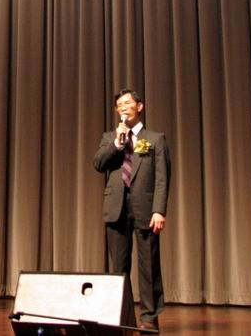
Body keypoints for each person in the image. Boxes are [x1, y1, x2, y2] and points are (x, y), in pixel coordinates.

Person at [93, 89, 171, 332]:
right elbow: (98, 164)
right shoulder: (110, 137)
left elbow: (162, 179)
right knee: (119, 267)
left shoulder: (155, 139)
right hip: (116, 207)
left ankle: (149, 317)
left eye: (127, 103)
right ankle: (121, 315)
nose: (123, 107)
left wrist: (159, 210)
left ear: (140, 106)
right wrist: (117, 143)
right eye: (119, 105)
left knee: (149, 266)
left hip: (146, 208)